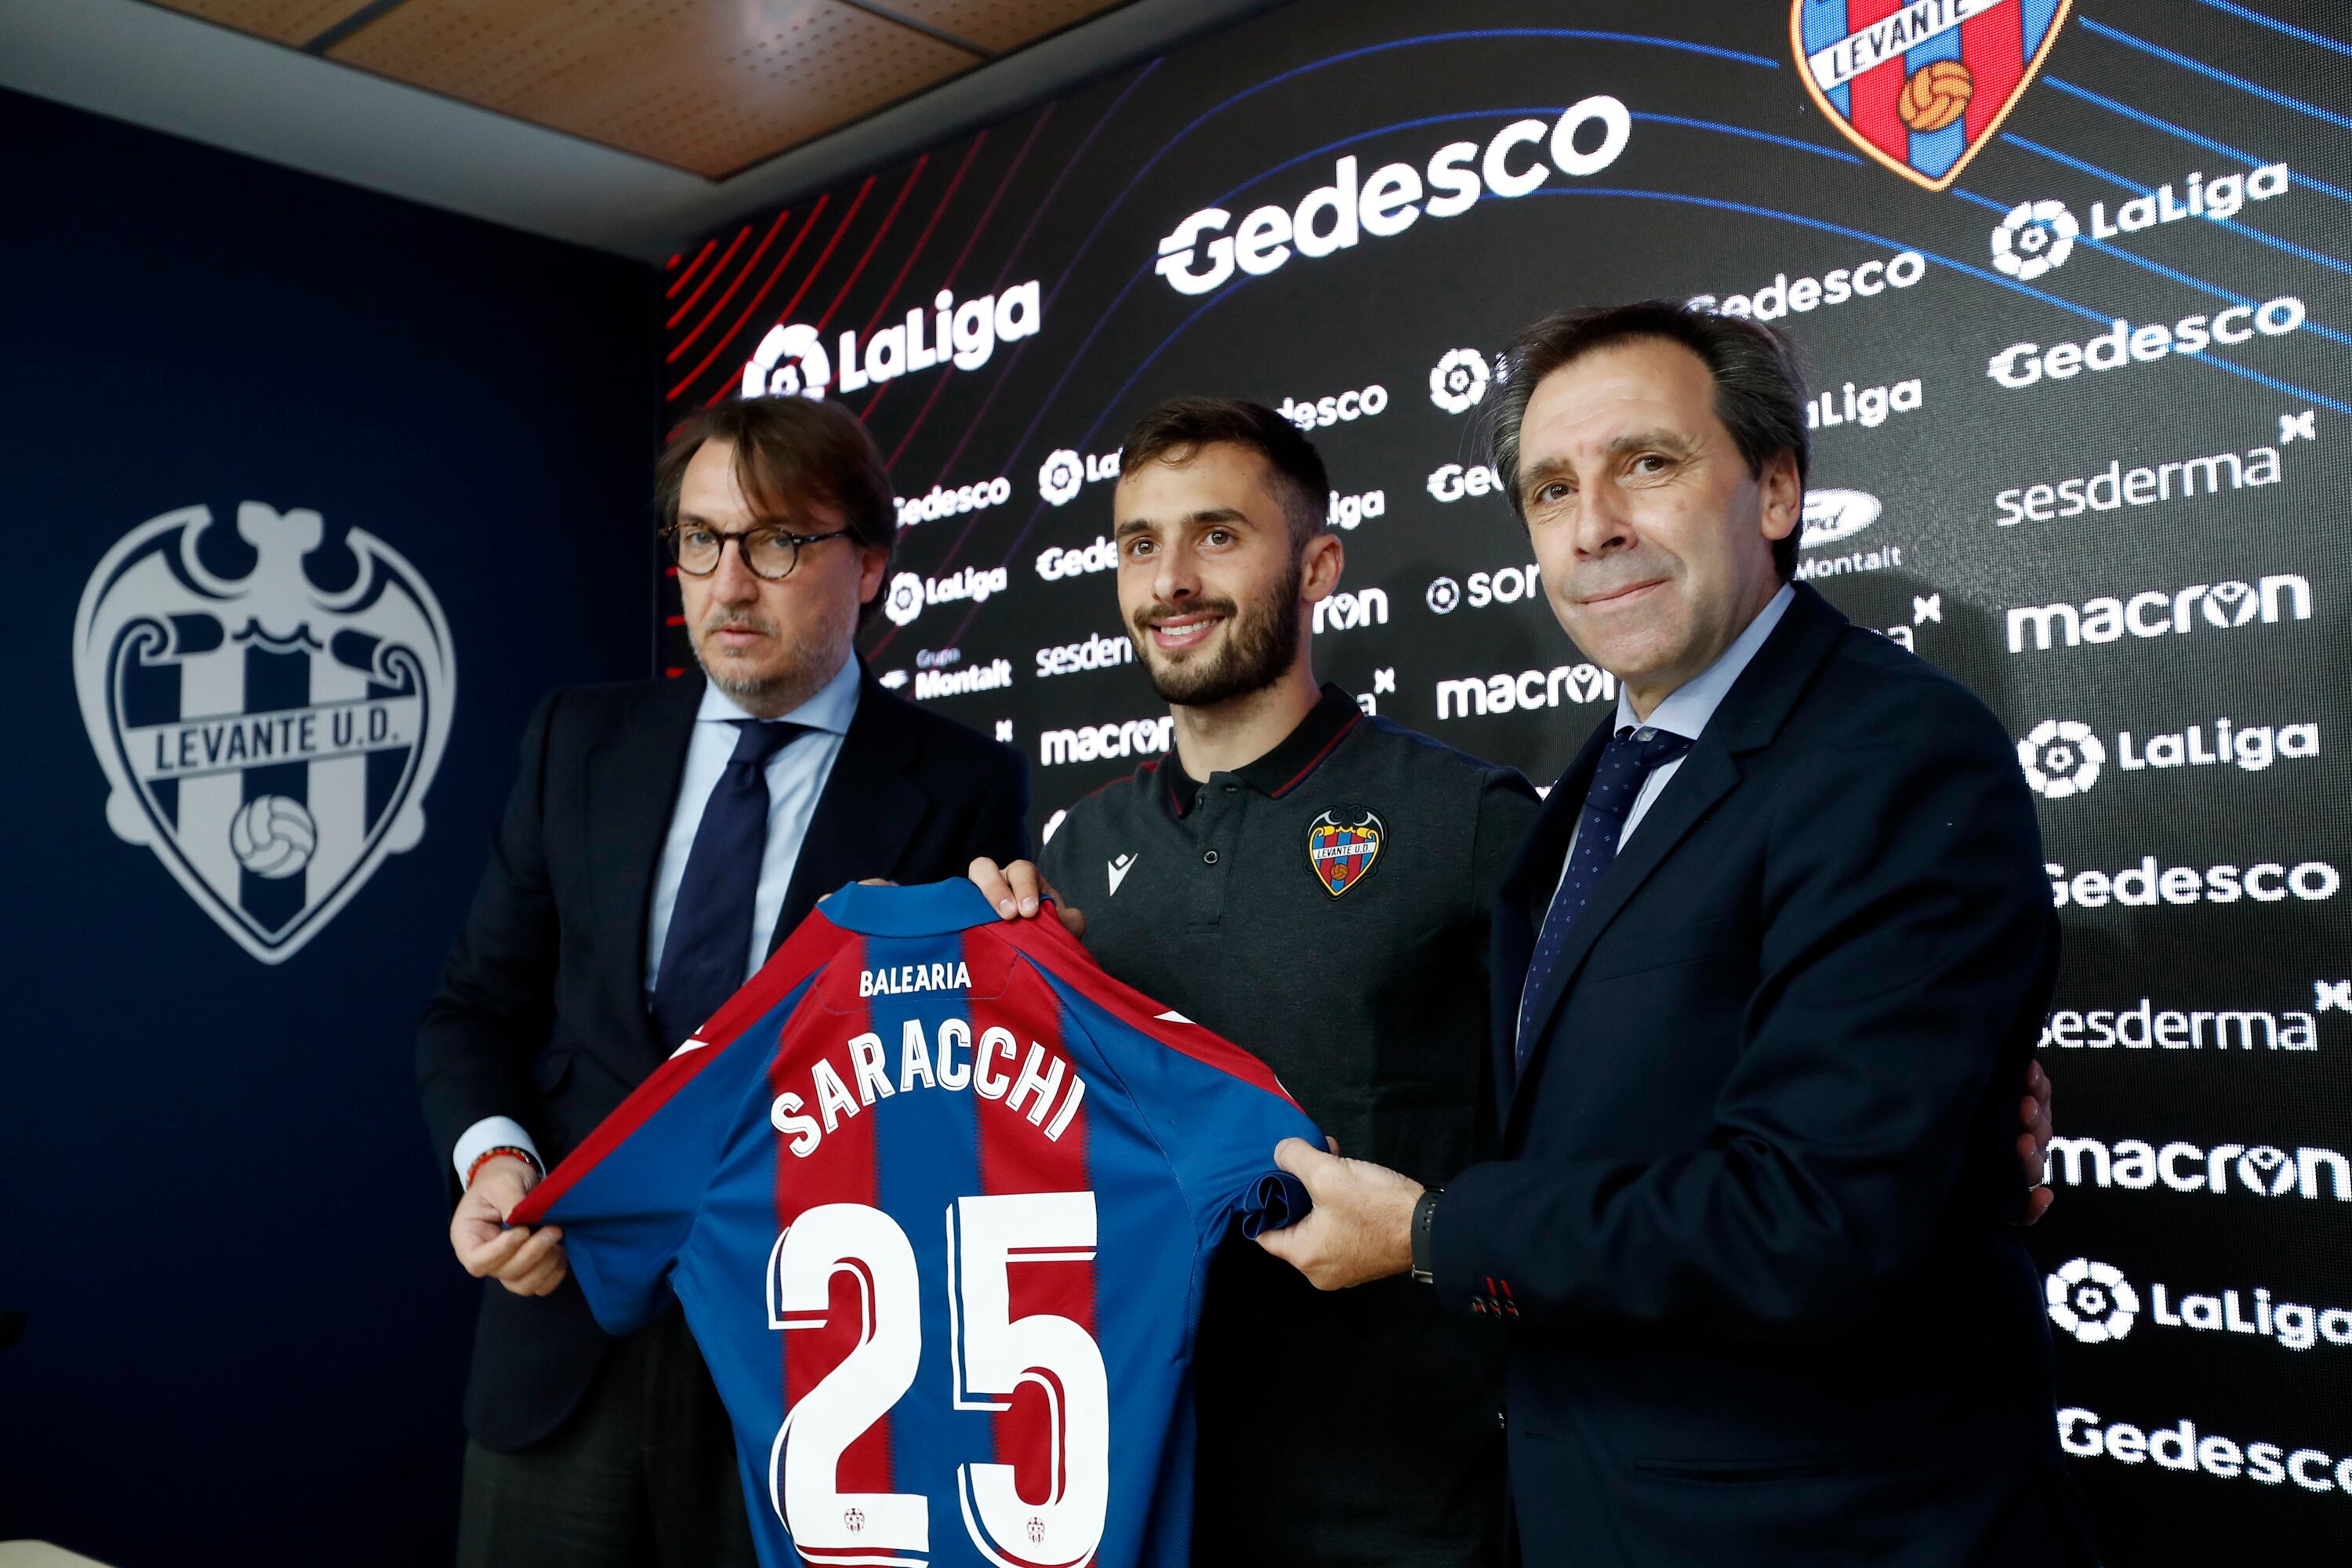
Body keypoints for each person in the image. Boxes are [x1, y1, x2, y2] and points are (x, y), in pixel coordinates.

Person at [973, 396, 2059, 1563]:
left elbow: (1657, 1071)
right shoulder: (1068, 860)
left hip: (1419, 1494)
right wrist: (981, 970)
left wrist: (1960, 1099)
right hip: (1154, 1471)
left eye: (1218, 534)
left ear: (1322, 564)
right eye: (1141, 544)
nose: (1172, 578)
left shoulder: (1477, 825)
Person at [1255, 302, 2094, 1566]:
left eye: (1646, 463)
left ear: (1774, 489)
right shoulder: (1611, 775)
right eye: (1550, 489)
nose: (1594, 526)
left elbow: (1814, 1221)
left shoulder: (1895, 753)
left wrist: (1430, 1234)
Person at [417, 395, 1030, 1566]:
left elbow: (953, 1101)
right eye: (700, 540)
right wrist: (499, 1159)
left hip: (815, 1380)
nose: (728, 585)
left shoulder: (963, 788)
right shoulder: (575, 742)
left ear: (871, 566)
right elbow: (472, 1009)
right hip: (560, 1355)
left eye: (777, 542)